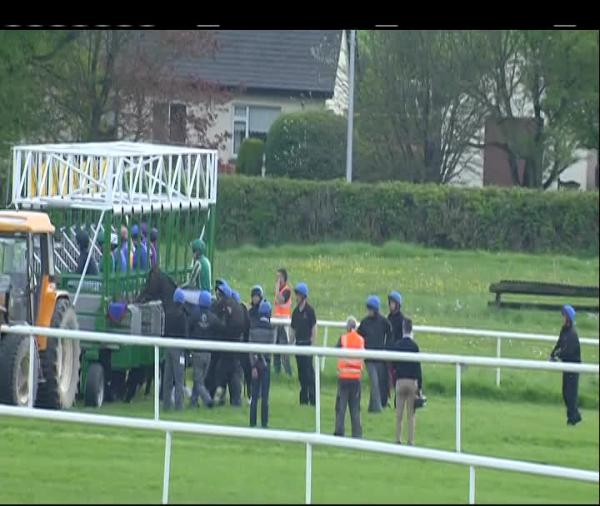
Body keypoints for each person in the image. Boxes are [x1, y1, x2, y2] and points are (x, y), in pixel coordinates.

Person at [188, 290, 224, 408]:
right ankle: (193, 403)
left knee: (198, 381)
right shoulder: (213, 317)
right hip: (208, 353)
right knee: (199, 380)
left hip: (197, 352)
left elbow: (188, 327)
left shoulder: (194, 314)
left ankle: (208, 400)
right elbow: (221, 328)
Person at [212, 280, 245, 406]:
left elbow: (220, 324)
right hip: (237, 345)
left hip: (226, 344)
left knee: (222, 372)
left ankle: (220, 399)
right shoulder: (238, 307)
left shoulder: (223, 305)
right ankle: (235, 400)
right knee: (233, 373)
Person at [358, 295, 392, 412]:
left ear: (376, 309)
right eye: (368, 308)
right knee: (374, 382)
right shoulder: (364, 322)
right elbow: (359, 336)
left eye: (370, 309)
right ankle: (377, 408)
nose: (369, 311)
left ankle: (372, 407)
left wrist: (386, 347)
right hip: (369, 358)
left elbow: (390, 334)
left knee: (379, 383)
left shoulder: (384, 322)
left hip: (380, 357)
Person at [391, 318, 422, 445]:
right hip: (411, 382)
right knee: (411, 414)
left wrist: (394, 381)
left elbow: (393, 365)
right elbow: (418, 367)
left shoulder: (397, 345)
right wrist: (419, 386)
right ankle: (410, 440)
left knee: (399, 414)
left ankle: (398, 439)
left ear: (403, 329)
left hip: (400, 381)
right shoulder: (415, 346)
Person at [550, 304, 582, 426]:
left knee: (570, 394)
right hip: (567, 365)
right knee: (566, 392)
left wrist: (557, 356)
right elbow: (559, 344)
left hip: (574, 366)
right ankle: (574, 416)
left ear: (568, 318)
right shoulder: (564, 330)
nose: (562, 318)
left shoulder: (572, 334)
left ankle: (573, 418)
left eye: (564, 316)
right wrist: (553, 354)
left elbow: (567, 350)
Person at [334, 316, 364, 438]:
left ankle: (339, 431)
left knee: (341, 407)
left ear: (347, 327)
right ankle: (357, 434)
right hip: (356, 378)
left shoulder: (343, 338)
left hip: (344, 377)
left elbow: (335, 351)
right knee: (355, 408)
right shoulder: (361, 340)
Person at [248, 300, 276, 428]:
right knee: (265, 396)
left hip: (255, 364)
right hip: (265, 364)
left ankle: (252, 422)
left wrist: (253, 365)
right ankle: (264, 423)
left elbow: (250, 348)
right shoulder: (271, 329)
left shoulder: (253, 328)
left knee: (254, 396)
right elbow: (270, 349)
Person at [290, 282, 316, 406]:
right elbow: (293, 329)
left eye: (298, 295)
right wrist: (290, 344)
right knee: (301, 373)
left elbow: (314, 328)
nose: (297, 297)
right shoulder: (295, 312)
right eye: (296, 294)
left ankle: (313, 398)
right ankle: (304, 398)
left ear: (303, 296)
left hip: (307, 344)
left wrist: (312, 344)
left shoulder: (310, 311)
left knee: (309, 373)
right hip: (298, 345)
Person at [163, 288, 189, 411]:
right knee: (179, 379)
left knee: (167, 378)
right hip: (179, 349)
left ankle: (166, 404)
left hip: (168, 347)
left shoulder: (168, 313)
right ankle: (179, 406)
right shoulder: (182, 315)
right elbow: (185, 334)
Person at [273, 268, 293, 376]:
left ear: (284, 278)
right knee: (276, 347)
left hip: (284, 322)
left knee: (284, 349)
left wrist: (276, 288)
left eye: (279, 277)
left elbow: (280, 300)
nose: (277, 279)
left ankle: (288, 373)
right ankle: (277, 372)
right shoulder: (279, 290)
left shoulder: (286, 290)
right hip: (277, 322)